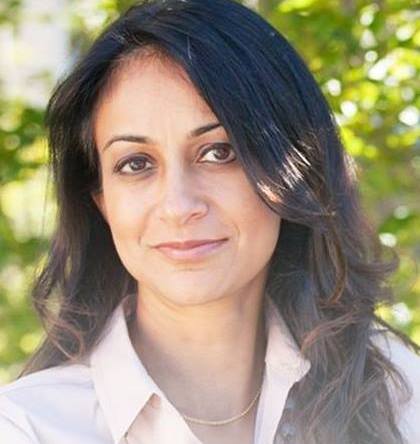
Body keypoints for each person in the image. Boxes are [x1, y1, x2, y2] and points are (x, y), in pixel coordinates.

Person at [0, 0, 419, 443]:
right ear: (101, 200)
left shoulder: (401, 397)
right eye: (136, 163)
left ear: (293, 169)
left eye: (219, 152)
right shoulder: (28, 428)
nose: (179, 206)